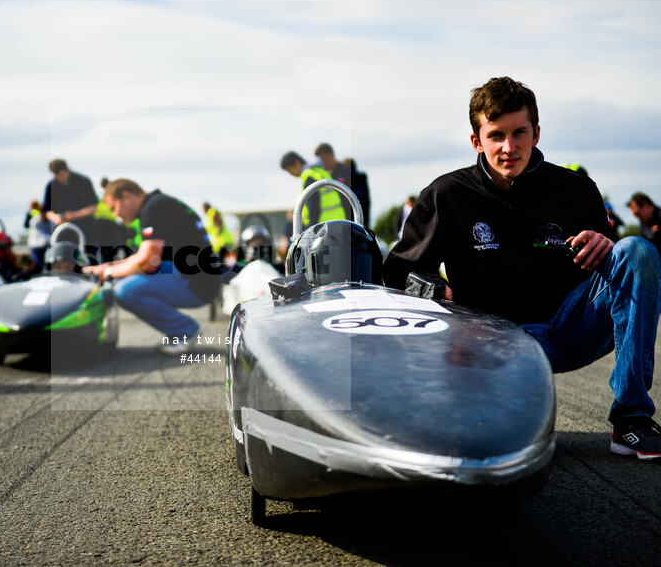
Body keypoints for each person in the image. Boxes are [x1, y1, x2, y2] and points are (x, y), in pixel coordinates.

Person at [383, 76, 661, 460]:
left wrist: (609, 247)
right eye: (496, 135)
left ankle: (631, 419)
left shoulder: (577, 189)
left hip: (574, 325)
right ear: (476, 141)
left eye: (519, 133)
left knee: (638, 250)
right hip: (502, 342)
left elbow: (617, 271)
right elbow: (398, 271)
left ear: (536, 133)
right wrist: (435, 289)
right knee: (506, 441)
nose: (509, 147)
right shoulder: (446, 195)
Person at [83, 179, 221, 354]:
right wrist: (110, 266)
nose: (115, 214)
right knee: (126, 278)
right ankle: (182, 331)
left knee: (125, 290)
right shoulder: (159, 204)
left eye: (113, 207)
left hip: (196, 284)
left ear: (126, 196)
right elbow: (143, 257)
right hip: (198, 278)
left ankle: (185, 331)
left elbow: (147, 262)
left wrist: (109, 273)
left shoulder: (154, 209)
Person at [43, 159, 99, 258]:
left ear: (66, 170)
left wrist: (74, 215)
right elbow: (46, 210)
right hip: (61, 233)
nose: (60, 179)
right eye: (57, 176)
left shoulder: (83, 181)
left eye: (62, 175)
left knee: (88, 259)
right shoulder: (51, 185)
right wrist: (55, 218)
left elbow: (94, 206)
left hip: (86, 231)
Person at [280, 151, 346, 228]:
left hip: (323, 227)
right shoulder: (320, 172)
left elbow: (313, 206)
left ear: (297, 163)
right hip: (337, 223)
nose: (291, 174)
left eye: (290, 170)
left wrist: (311, 230)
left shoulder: (308, 176)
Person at [314, 143, 371, 225]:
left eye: (323, 160)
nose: (322, 163)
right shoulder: (324, 178)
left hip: (352, 224)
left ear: (330, 154)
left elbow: (362, 202)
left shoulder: (349, 174)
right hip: (334, 225)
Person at [24, 200, 52, 272]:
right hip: (36, 246)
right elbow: (26, 225)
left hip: (46, 246)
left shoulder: (49, 220)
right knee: (38, 266)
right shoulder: (35, 219)